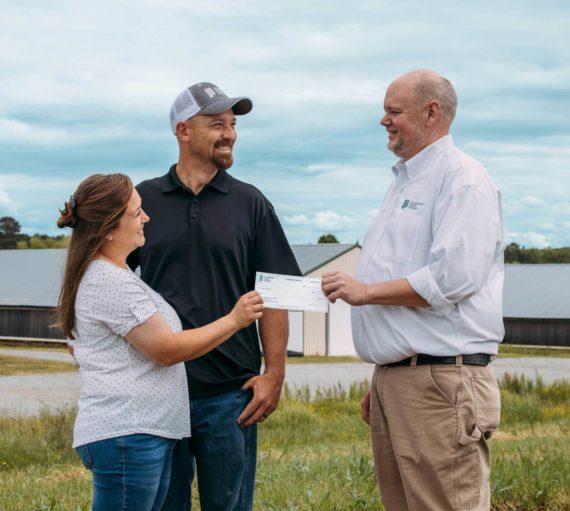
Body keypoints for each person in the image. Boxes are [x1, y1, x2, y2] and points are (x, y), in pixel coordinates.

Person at [321, 69, 504, 510]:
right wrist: (389, 372)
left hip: (441, 384)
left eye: (393, 111)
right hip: (408, 380)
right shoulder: (405, 182)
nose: (383, 120)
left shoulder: (462, 178)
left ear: (432, 113)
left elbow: (453, 277)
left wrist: (364, 293)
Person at [127, 82, 301, 510]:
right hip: (157, 389)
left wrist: (274, 372)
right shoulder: (141, 200)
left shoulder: (250, 202)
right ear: (183, 131)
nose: (230, 134)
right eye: (216, 124)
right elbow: (110, 278)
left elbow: (274, 293)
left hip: (230, 394)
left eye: (233, 124)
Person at [56, 173, 264, 511]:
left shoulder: (114, 276)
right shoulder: (110, 281)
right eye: (137, 213)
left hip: (141, 434)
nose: (146, 218)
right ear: (109, 227)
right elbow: (166, 350)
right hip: (128, 435)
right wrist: (234, 320)